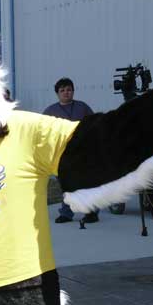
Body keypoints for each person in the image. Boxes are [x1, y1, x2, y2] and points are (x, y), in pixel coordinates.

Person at [43, 77, 99, 224]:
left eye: (69, 90)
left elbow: (95, 124)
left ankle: (91, 212)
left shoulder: (82, 107)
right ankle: (66, 214)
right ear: (57, 93)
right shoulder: (50, 111)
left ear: (73, 91)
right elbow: (42, 131)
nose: (66, 93)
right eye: (62, 90)